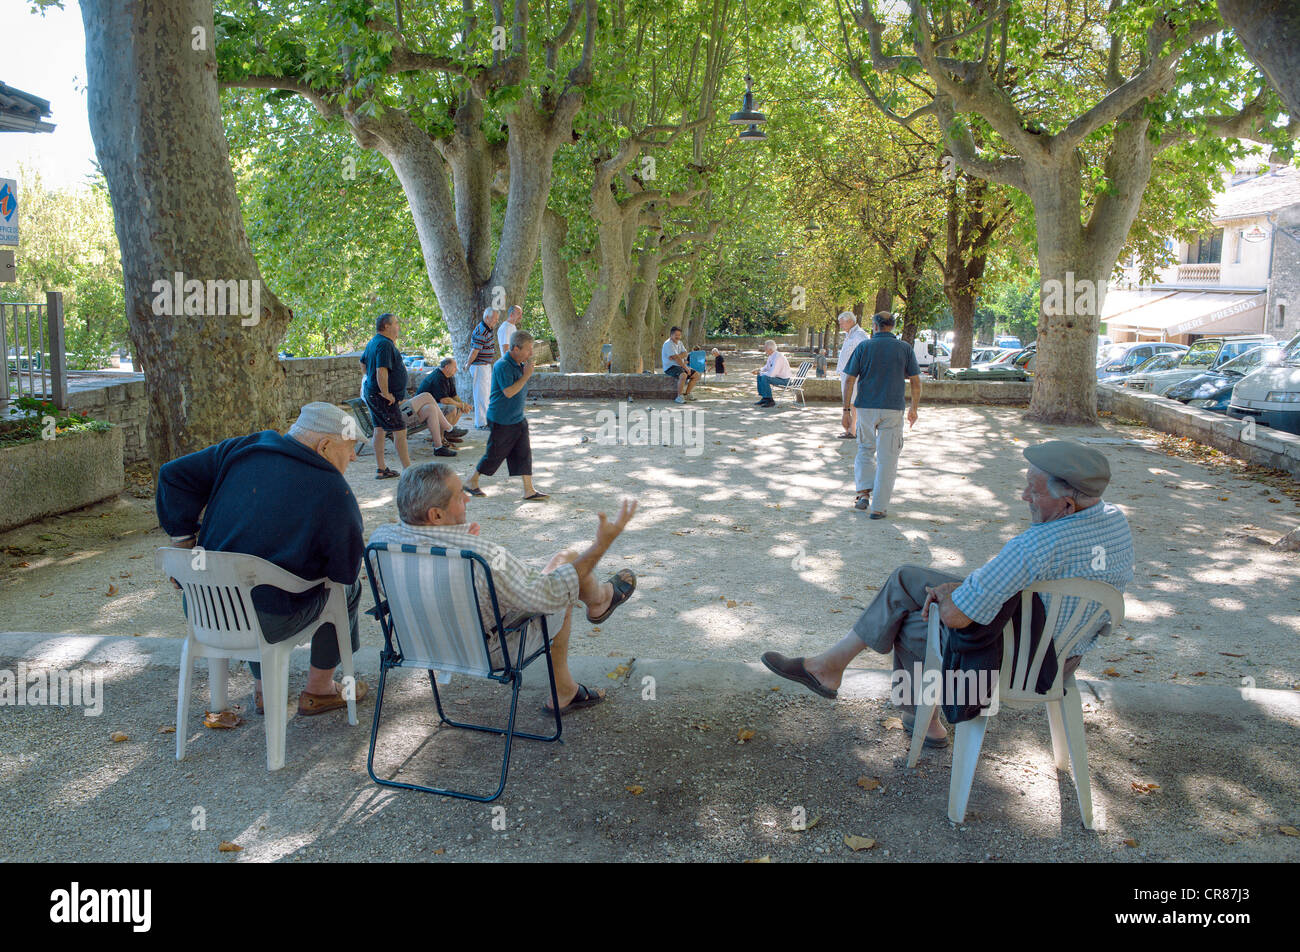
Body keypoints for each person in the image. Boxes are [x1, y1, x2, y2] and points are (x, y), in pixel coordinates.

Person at [761, 441, 1134, 748]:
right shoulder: (1114, 520)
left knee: (909, 622)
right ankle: (840, 672)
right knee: (908, 578)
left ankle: (920, 717)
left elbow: (957, 618)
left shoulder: (1037, 544)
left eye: (1032, 491)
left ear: (1067, 504)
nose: (1024, 496)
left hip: (1017, 664)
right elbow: (1030, 584)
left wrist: (949, 595)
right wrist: (962, 588)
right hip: (1064, 653)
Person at [371, 463, 639, 714]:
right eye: (459, 495)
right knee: (565, 569)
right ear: (436, 515)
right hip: (486, 652)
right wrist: (601, 545)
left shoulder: (380, 543)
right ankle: (595, 611)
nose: (467, 498)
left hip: (418, 645)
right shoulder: (482, 556)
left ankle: (599, 603)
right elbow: (551, 593)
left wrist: (455, 540)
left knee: (556, 570)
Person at [156, 402, 368, 717]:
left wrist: (184, 543)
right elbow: (344, 572)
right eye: (351, 448)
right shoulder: (335, 491)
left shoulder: (243, 448)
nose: (353, 457)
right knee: (345, 592)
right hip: (267, 619)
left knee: (250, 580)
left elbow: (172, 474)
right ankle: (320, 689)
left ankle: (264, 689)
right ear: (324, 446)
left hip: (203, 608)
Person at [841, 311, 922, 518]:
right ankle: (878, 507)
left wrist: (846, 410)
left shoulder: (864, 347)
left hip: (866, 407)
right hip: (893, 408)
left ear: (875, 326)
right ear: (892, 327)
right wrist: (914, 408)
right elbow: (915, 381)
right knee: (888, 458)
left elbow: (849, 380)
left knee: (865, 450)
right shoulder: (905, 348)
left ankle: (863, 493)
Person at [465, 329, 549, 501]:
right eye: (528, 349)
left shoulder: (519, 364)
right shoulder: (503, 365)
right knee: (494, 454)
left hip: (517, 418)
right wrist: (526, 376)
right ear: (515, 349)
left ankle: (529, 489)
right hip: (502, 419)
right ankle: (471, 481)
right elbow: (509, 392)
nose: (531, 353)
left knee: (524, 452)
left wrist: (525, 373)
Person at [359, 311, 411, 478]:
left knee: (379, 429)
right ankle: (408, 471)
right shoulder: (385, 344)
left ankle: (381, 469)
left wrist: (370, 380)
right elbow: (381, 370)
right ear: (386, 326)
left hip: (372, 393)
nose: (398, 327)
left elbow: (362, 363)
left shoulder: (374, 342)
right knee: (400, 431)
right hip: (381, 396)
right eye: (396, 323)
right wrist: (385, 392)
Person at [414, 357, 471, 434]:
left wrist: (464, 406)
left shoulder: (449, 376)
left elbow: (454, 396)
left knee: (459, 407)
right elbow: (444, 400)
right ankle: (442, 436)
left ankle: (448, 433)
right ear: (447, 367)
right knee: (452, 408)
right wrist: (461, 405)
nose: (456, 369)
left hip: (435, 404)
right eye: (454, 367)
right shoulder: (438, 377)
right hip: (422, 408)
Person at [836, 311, 869, 438]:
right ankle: (851, 429)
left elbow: (864, 355)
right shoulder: (850, 334)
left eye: (842, 323)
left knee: (853, 402)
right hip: (848, 374)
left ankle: (853, 430)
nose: (841, 325)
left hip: (854, 375)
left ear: (850, 321)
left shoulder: (859, 335)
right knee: (850, 402)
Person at [467, 306, 500, 430]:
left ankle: (487, 420)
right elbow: (474, 351)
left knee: (486, 395)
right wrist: (467, 364)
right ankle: (481, 423)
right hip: (479, 366)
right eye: (494, 319)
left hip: (485, 366)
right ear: (487, 318)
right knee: (481, 395)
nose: (496, 322)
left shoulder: (488, 328)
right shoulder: (481, 331)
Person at [661, 326, 698, 404]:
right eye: (676, 335)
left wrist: (676, 356)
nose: (678, 337)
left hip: (679, 365)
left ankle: (687, 394)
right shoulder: (668, 344)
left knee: (696, 375)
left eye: (679, 335)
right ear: (671, 335)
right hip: (670, 367)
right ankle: (679, 396)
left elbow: (685, 353)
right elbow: (677, 360)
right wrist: (686, 367)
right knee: (683, 375)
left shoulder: (680, 343)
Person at [751, 339, 792, 408]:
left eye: (765, 348)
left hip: (785, 380)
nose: (765, 350)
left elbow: (772, 374)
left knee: (764, 377)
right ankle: (764, 398)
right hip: (778, 377)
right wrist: (759, 370)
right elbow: (767, 367)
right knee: (760, 376)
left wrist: (760, 372)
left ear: (770, 349)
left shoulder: (778, 357)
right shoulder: (771, 356)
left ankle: (770, 400)